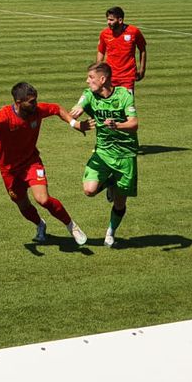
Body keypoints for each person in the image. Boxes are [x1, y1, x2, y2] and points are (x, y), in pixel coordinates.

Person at [0, 82, 87, 246]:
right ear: (19, 103)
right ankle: (40, 224)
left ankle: (71, 225)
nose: (35, 104)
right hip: (9, 170)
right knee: (23, 205)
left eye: (36, 100)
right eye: (31, 102)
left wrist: (74, 123)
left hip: (31, 162)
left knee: (43, 199)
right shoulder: (3, 116)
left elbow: (57, 109)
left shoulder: (37, 110)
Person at [64, 63, 139, 248]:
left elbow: (134, 124)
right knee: (89, 190)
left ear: (103, 79)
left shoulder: (124, 95)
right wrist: (77, 113)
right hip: (103, 152)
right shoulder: (89, 95)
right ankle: (110, 183)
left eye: (91, 77)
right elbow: (81, 102)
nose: (87, 81)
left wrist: (117, 125)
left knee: (120, 203)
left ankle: (110, 232)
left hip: (125, 154)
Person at [96, 6, 146, 91]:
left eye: (111, 20)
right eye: (107, 19)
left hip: (128, 77)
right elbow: (101, 52)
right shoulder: (104, 34)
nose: (108, 22)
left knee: (127, 100)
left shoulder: (134, 31)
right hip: (110, 76)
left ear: (120, 20)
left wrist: (142, 70)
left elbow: (142, 49)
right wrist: (99, 71)